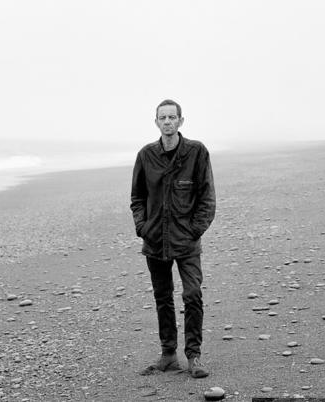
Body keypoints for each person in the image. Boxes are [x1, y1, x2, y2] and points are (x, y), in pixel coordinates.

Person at [131, 99, 216, 378]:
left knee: (193, 295)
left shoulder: (196, 152)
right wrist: (142, 226)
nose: (167, 122)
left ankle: (193, 356)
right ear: (156, 122)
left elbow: (207, 197)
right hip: (155, 240)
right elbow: (137, 197)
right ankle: (169, 354)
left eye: (172, 117)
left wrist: (195, 230)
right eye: (162, 118)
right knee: (162, 298)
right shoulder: (146, 155)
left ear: (181, 121)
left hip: (187, 241)